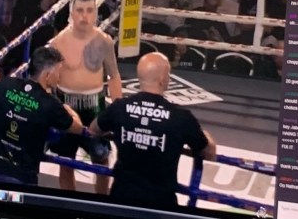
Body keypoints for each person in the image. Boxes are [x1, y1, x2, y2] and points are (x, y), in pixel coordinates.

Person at [91, 52, 216, 210]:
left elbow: (93, 130)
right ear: (163, 79)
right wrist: (207, 136)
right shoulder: (180, 117)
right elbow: (208, 152)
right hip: (160, 203)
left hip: (121, 197)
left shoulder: (119, 108)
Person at [49, 0, 122, 194]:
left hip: (95, 105)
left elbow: (114, 76)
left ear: (96, 14)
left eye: (89, 11)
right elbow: (49, 79)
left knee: (102, 160)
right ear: (72, 14)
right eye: (80, 10)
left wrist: (118, 112)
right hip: (66, 104)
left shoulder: (104, 41)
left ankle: (100, 204)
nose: (84, 16)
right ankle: (69, 205)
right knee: (65, 161)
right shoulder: (58, 42)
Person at [0, 47, 83, 186]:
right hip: (23, 177)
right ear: (47, 75)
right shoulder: (50, 104)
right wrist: (67, 108)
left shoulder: (5, 84)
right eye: (58, 72)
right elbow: (78, 128)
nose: (59, 77)